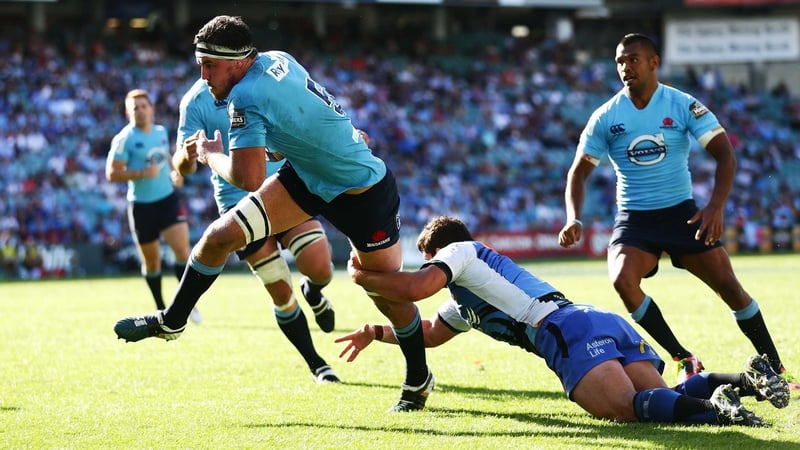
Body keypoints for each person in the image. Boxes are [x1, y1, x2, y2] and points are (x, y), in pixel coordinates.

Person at [114, 15, 432, 411]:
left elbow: (247, 178)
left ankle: (419, 377)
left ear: (236, 62)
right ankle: (172, 320)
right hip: (307, 175)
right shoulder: (277, 58)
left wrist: (211, 156)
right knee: (218, 237)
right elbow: (311, 114)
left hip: (362, 191)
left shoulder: (245, 96)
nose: (203, 75)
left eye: (209, 65)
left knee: (385, 293)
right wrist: (340, 137)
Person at [337, 215, 790, 426]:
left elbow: (416, 289)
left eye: (427, 258)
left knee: (627, 410)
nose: (428, 266)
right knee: (660, 399)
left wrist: (363, 276)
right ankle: (744, 380)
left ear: (438, 251)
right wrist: (375, 332)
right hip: (593, 319)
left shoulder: (460, 251)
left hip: (561, 330)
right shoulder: (469, 296)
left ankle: (719, 412)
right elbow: (431, 334)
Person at [557, 33, 794, 386]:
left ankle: (775, 367)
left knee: (729, 287)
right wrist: (573, 217)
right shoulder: (606, 116)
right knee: (622, 280)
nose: (625, 67)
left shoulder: (682, 104)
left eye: (633, 59)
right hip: (634, 220)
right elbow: (578, 172)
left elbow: (725, 154)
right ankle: (684, 357)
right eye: (620, 61)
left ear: (654, 62)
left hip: (682, 215)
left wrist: (716, 206)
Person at [171, 77, 339, 384]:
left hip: (284, 189)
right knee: (281, 293)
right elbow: (182, 166)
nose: (207, 71)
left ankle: (314, 291)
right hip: (237, 203)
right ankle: (318, 365)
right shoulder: (195, 101)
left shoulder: (262, 80)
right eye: (203, 63)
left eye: (211, 63)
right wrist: (187, 155)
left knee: (321, 269)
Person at [106, 89, 202, 323]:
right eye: (135, 108)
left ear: (152, 109)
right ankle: (160, 307)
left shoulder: (160, 132)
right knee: (152, 262)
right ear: (128, 113)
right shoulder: (124, 139)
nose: (140, 111)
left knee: (183, 252)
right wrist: (141, 173)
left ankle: (186, 304)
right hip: (142, 207)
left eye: (143, 106)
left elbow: (165, 156)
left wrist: (175, 171)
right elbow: (111, 173)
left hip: (167, 200)